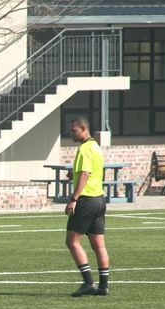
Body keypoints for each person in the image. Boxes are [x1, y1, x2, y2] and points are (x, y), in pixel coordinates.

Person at [64, 116, 110, 297]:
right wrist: (72, 175)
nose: (71, 133)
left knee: (72, 242)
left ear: (84, 129)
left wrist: (74, 199)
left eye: (74, 130)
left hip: (86, 200)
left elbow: (85, 173)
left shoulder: (84, 149)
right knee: (99, 245)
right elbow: (89, 172)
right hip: (99, 199)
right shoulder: (96, 147)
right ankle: (104, 286)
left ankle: (88, 282)